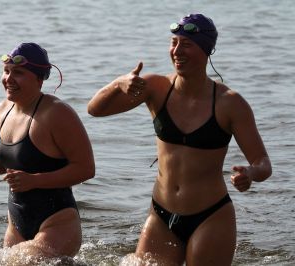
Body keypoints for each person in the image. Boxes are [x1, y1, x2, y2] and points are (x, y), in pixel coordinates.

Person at [87, 14, 272, 265]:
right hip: (161, 213)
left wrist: (250, 173)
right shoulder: (156, 87)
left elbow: (263, 163)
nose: (177, 51)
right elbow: (95, 109)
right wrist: (119, 83)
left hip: (211, 216)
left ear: (206, 50)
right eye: (174, 42)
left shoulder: (230, 103)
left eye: (186, 44)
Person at [0, 43, 95, 259]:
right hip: (16, 224)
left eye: (19, 73)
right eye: (6, 71)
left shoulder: (57, 113)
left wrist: (35, 180)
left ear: (39, 79)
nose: (9, 79)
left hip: (57, 222)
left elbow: (86, 169)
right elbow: (2, 164)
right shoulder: (3, 110)